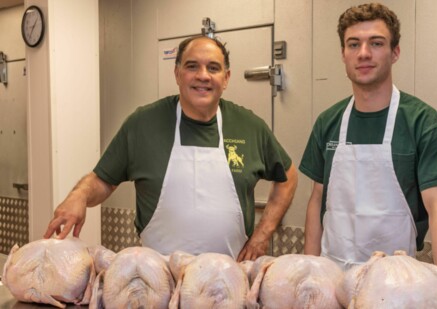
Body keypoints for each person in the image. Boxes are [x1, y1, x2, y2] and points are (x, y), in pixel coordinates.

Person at [44, 36, 298, 262]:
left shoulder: (249, 127)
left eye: (213, 68)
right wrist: (78, 196)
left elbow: (288, 177)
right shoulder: (142, 124)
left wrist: (262, 236)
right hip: (158, 282)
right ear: (177, 74)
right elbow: (103, 181)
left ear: (226, 78)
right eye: (192, 66)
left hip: (228, 280)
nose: (203, 76)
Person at [299, 2, 437, 303]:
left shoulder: (422, 122)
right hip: (333, 282)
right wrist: (309, 276)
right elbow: (316, 202)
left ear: (395, 52)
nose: (364, 53)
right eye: (354, 44)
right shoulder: (328, 122)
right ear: (343, 54)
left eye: (376, 43)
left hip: (397, 288)